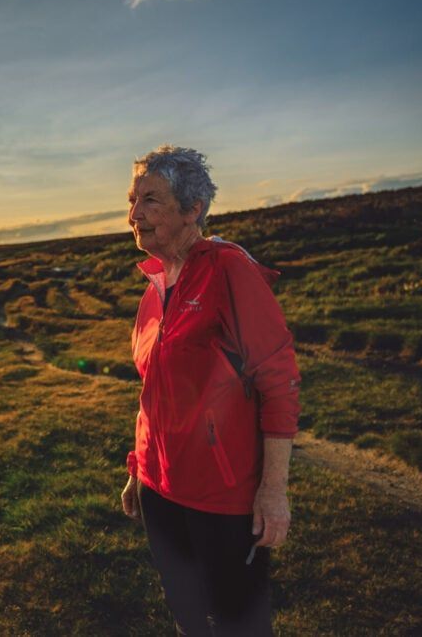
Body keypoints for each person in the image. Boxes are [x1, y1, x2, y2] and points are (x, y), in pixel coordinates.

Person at [119, 145, 301, 635]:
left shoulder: (228, 270)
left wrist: (273, 489)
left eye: (151, 200)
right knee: (186, 614)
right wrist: (140, 469)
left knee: (238, 623)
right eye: (132, 201)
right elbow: (152, 391)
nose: (134, 214)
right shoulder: (153, 288)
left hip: (222, 500)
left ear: (192, 208)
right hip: (161, 492)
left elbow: (278, 381)